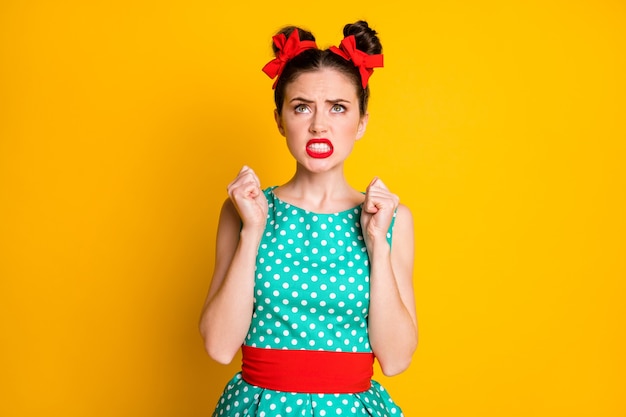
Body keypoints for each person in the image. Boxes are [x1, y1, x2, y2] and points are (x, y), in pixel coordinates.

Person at [199, 20, 417, 417]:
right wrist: (252, 232)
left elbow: (397, 359)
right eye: (302, 107)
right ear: (281, 120)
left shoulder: (391, 218)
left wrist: (377, 247)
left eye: (338, 107)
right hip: (258, 407)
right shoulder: (244, 211)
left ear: (362, 122)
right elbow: (218, 346)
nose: (319, 124)